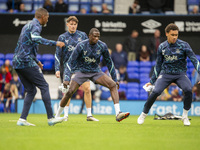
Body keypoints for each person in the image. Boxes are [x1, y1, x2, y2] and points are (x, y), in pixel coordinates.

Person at [56, 28, 130, 122]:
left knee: (112, 85)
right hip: (81, 71)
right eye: (94, 36)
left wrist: (115, 79)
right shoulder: (81, 45)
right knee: (69, 92)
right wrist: (67, 78)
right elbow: (70, 62)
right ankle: (57, 115)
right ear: (89, 36)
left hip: (95, 72)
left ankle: (118, 113)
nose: (96, 38)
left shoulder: (102, 46)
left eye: (98, 36)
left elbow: (109, 62)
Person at [137, 23, 200, 126]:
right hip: (165, 73)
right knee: (156, 91)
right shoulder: (162, 46)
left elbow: (194, 60)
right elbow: (158, 65)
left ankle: (185, 116)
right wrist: (152, 81)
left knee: (188, 90)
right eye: (172, 35)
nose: (175, 37)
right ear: (167, 34)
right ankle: (143, 114)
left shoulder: (184, 45)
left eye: (176, 34)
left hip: (180, 74)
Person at [12, 8, 65, 126]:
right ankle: (50, 118)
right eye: (47, 17)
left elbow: (24, 46)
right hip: (25, 61)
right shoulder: (36, 25)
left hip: (17, 62)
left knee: (31, 90)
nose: (48, 20)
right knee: (44, 86)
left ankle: (22, 120)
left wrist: (36, 61)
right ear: (42, 16)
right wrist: (55, 43)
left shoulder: (26, 26)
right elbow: (36, 39)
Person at [55, 16, 98, 121]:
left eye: (75, 24)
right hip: (68, 67)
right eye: (71, 24)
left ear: (76, 25)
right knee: (68, 91)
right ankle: (65, 115)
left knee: (87, 88)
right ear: (67, 24)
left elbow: (89, 49)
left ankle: (89, 115)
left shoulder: (82, 35)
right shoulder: (62, 37)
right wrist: (57, 69)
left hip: (81, 67)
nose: (73, 26)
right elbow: (57, 54)